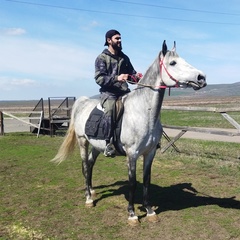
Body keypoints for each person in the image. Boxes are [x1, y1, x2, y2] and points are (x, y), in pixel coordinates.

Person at [95, 29, 142, 157]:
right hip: (109, 93)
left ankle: (142, 140)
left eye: (120, 38)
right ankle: (108, 143)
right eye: (117, 38)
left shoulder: (124, 57)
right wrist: (117, 78)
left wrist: (136, 77)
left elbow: (132, 74)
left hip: (124, 92)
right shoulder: (101, 58)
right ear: (109, 40)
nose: (120, 41)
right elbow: (99, 78)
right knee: (110, 110)